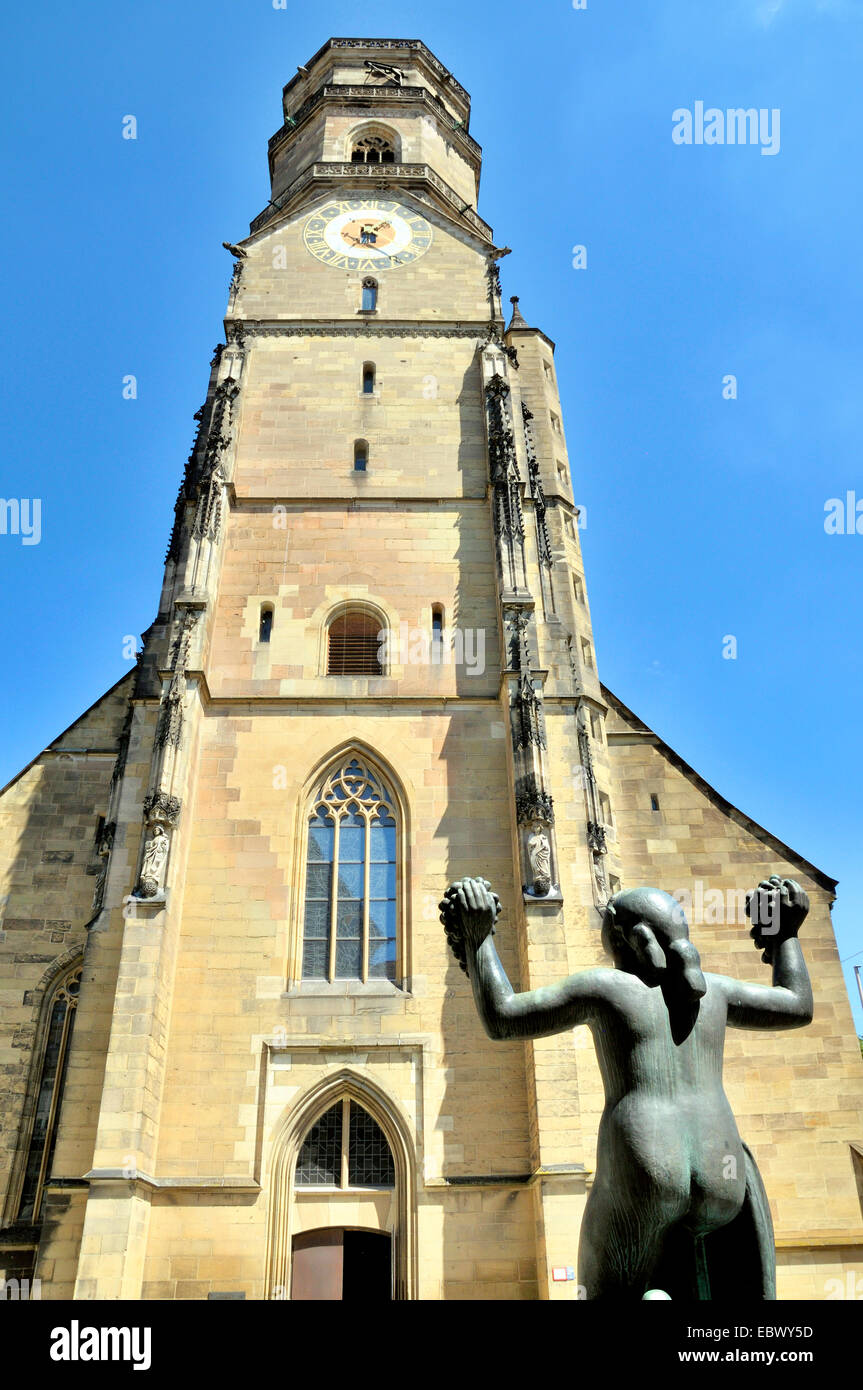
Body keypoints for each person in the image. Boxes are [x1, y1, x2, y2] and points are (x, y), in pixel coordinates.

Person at [440, 874, 813, 1299]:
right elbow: (797, 1004)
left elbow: (503, 1018)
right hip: (723, 1173)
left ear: (621, 931)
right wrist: (784, 934)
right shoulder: (718, 993)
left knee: (603, 1289)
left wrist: (478, 936)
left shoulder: (607, 988)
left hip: (646, 1168)